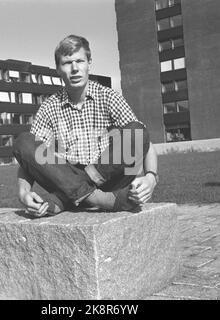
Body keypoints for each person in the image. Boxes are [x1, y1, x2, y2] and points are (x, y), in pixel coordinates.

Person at [12, 35, 159, 217]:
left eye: (79, 61)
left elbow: (143, 141)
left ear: (89, 63)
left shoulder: (109, 97)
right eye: (67, 63)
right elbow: (30, 156)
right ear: (58, 69)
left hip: (110, 176)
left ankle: (64, 199)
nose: (74, 69)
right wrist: (23, 191)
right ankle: (99, 199)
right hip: (66, 174)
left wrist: (151, 177)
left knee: (136, 130)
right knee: (23, 142)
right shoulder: (49, 106)